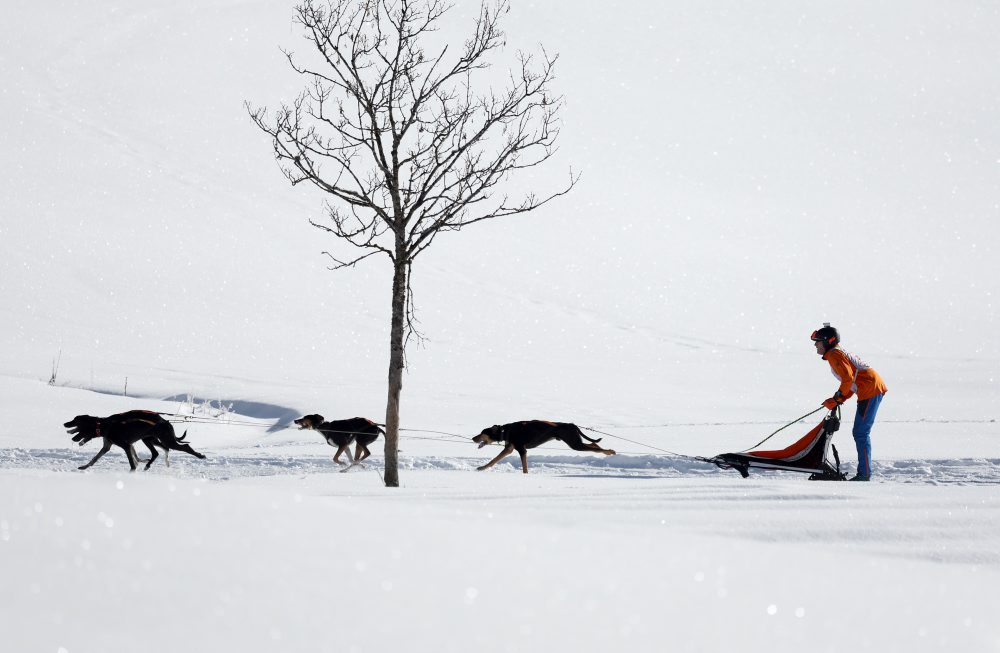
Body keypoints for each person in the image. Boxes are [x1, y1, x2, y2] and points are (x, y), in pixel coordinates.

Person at [811, 324, 888, 481]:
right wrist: (839, 399)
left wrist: (837, 398)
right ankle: (864, 473)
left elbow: (848, 379)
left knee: (861, 433)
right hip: (869, 388)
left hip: (870, 389)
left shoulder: (834, 354)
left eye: (817, 341)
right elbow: (851, 382)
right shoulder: (835, 353)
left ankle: (864, 475)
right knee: (860, 432)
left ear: (827, 342)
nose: (815, 345)